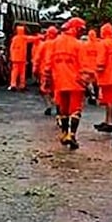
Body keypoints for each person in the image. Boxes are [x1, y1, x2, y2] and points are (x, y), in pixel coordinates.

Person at [49, 17, 87, 149]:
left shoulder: (55, 43)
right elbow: (84, 65)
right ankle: (72, 135)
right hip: (76, 82)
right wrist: (87, 81)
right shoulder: (78, 45)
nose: (82, 32)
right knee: (75, 110)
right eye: (81, 29)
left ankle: (64, 133)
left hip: (59, 81)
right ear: (76, 28)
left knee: (63, 109)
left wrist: (47, 79)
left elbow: (49, 63)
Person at [94, 23, 112, 132]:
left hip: (106, 76)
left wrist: (96, 71)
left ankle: (110, 122)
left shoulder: (103, 44)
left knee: (108, 100)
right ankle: (108, 121)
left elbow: (101, 61)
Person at [35, 26, 59, 116]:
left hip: (44, 70)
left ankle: (49, 106)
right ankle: (57, 104)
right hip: (57, 70)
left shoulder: (43, 44)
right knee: (56, 89)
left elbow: (37, 58)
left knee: (45, 90)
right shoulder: (59, 44)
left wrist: (35, 69)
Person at [81, 29, 103, 105]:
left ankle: (92, 94)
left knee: (89, 82)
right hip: (97, 66)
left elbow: (82, 56)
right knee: (98, 83)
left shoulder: (85, 45)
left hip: (88, 67)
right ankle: (98, 96)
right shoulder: (99, 45)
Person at [8, 24, 29, 91]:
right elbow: (32, 38)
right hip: (22, 59)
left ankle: (13, 84)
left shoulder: (14, 38)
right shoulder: (24, 38)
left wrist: (11, 56)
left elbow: (11, 48)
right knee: (22, 73)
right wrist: (40, 37)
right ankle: (22, 85)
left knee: (14, 72)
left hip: (15, 59)